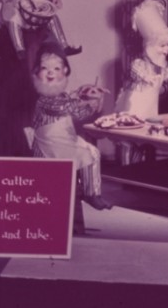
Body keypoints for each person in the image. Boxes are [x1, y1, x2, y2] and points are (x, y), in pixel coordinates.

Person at [30, 43, 112, 210]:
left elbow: (77, 111)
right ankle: (83, 194)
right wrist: (87, 99)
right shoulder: (43, 100)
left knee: (93, 152)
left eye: (56, 68)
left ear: (65, 71)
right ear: (37, 72)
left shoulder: (63, 96)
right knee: (85, 154)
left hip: (65, 140)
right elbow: (65, 108)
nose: (51, 73)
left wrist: (91, 99)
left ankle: (92, 193)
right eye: (45, 68)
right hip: (47, 146)